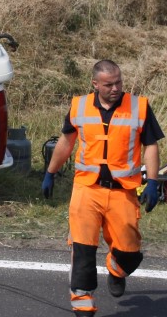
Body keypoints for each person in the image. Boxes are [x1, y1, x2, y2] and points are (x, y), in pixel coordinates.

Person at [42, 60, 163, 317]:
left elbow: (151, 145)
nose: (116, 88)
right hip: (87, 188)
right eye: (109, 84)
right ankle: (82, 296)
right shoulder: (79, 106)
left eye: (119, 82)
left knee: (130, 251)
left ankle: (117, 268)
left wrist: (152, 181)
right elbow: (66, 141)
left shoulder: (139, 107)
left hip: (123, 190)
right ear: (95, 84)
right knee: (83, 245)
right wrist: (50, 172)